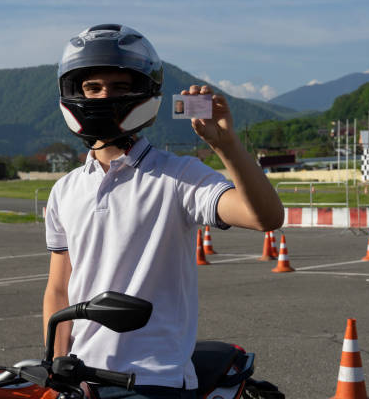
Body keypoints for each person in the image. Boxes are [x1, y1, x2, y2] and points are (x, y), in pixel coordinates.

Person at [43, 24, 284, 399]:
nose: (105, 96)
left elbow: (265, 217)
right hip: (82, 377)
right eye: (93, 87)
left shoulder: (178, 175)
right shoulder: (64, 190)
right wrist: (57, 366)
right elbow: (60, 288)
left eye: (119, 86)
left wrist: (227, 145)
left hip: (156, 379)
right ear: (74, 93)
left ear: (143, 92)